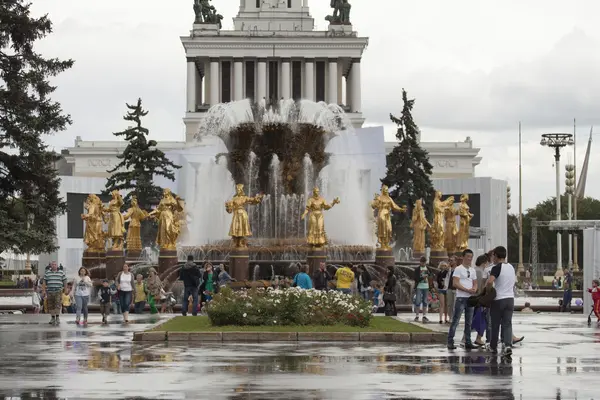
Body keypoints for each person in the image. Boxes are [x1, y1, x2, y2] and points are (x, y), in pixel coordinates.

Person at [486, 245, 516, 356]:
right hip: (510, 299)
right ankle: (507, 345)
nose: (492, 258)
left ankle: (493, 346)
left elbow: (490, 281)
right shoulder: (511, 267)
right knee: (507, 323)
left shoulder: (497, 267)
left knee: (495, 324)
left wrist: (488, 291)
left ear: (497, 256)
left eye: (493, 255)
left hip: (498, 299)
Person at [447, 249, 477, 350]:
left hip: (470, 298)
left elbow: (475, 282)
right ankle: (450, 341)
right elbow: (455, 283)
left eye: (471, 257)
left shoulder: (472, 270)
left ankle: (468, 341)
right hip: (461, 297)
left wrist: (474, 289)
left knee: (469, 322)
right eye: (468, 256)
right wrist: (466, 290)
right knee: (456, 320)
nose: (469, 259)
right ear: (463, 257)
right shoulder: (458, 269)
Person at [472, 254, 489, 346]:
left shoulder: (475, 270)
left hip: (475, 298)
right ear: (483, 263)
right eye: (487, 262)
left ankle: (477, 337)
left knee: (475, 318)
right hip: (479, 298)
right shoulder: (479, 272)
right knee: (480, 319)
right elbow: (479, 286)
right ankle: (478, 338)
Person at [43, 261, 67, 325]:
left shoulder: (61, 272)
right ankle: (53, 318)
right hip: (50, 291)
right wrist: (44, 291)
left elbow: (65, 281)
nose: (54, 265)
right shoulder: (47, 273)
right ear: (51, 266)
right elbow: (44, 282)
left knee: (57, 304)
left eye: (55, 264)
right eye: (52, 264)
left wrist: (65, 289)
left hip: (58, 291)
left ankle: (58, 317)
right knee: (51, 305)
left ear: (57, 266)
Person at [414, 256, 431, 323]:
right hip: (419, 286)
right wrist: (422, 278)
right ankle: (417, 315)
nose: (423, 264)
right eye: (422, 262)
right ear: (420, 262)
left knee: (425, 301)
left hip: (426, 287)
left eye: (424, 263)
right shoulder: (417, 269)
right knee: (417, 301)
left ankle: (424, 316)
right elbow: (415, 278)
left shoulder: (428, 268)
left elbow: (432, 276)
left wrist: (429, 276)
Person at [446, 256, 458, 321]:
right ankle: (450, 317)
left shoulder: (458, 269)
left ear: (456, 261)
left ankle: (454, 318)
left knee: (455, 304)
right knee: (449, 304)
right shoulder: (449, 269)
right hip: (449, 288)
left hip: (456, 288)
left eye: (452, 260)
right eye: (449, 260)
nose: (450, 262)